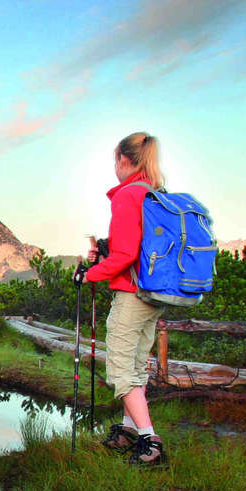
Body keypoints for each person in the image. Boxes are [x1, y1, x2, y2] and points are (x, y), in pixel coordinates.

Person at [76, 132, 167, 466]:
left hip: (132, 295)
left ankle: (149, 442)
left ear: (124, 160)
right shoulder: (153, 193)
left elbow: (126, 254)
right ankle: (129, 430)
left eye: (115, 160)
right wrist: (106, 252)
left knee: (119, 371)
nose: (114, 167)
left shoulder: (128, 195)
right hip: (154, 295)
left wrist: (89, 274)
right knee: (136, 365)